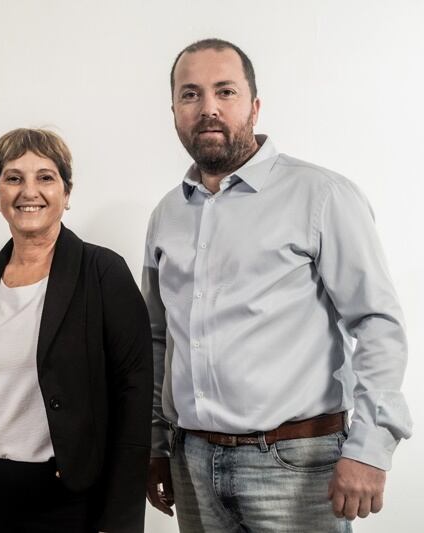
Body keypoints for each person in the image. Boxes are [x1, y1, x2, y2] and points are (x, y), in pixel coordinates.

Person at [142, 38, 412, 532]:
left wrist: (372, 447)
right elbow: (160, 339)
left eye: (225, 91)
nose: (208, 109)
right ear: (174, 111)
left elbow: (377, 325)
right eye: (190, 95)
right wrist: (157, 445)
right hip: (194, 463)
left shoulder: (321, 196)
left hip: (298, 466)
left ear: (255, 106)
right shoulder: (167, 215)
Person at [0, 128, 153, 533]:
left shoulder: (104, 274)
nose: (30, 191)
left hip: (75, 503)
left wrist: (120, 522)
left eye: (45, 177)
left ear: (66, 192)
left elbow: (135, 400)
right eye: (13, 178)